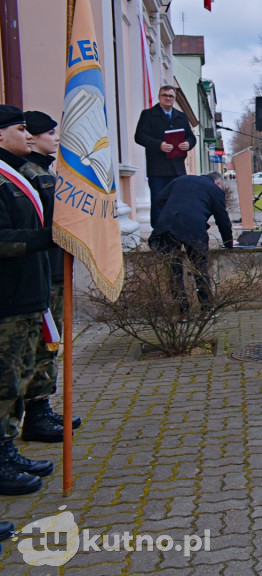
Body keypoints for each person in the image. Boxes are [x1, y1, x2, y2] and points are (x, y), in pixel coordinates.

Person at [0, 105, 56, 495]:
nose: (28, 135)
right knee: (5, 380)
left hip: (28, 290)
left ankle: (8, 448)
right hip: (8, 296)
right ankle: (2, 457)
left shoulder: (17, 175)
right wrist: (48, 237)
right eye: (20, 129)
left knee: (17, 375)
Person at [17, 111, 81, 442]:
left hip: (54, 268)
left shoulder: (43, 172)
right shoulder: (27, 174)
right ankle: (36, 413)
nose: (55, 138)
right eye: (50, 133)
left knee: (52, 342)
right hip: (44, 271)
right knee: (45, 342)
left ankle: (42, 406)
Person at [148, 172, 234, 319]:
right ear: (218, 183)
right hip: (194, 228)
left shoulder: (180, 179)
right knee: (199, 269)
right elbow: (222, 220)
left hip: (168, 225)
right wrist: (229, 243)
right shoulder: (215, 190)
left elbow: (160, 199)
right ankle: (206, 310)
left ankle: (183, 313)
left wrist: (173, 210)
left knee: (174, 271)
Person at [134, 86, 196, 226]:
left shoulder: (181, 116)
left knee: (177, 201)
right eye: (165, 95)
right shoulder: (148, 115)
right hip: (158, 169)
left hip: (177, 168)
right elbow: (139, 136)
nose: (168, 98)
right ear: (159, 97)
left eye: (171, 96)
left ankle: (176, 233)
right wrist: (159, 145)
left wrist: (188, 143)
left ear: (174, 99)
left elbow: (191, 137)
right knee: (158, 201)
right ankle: (158, 237)